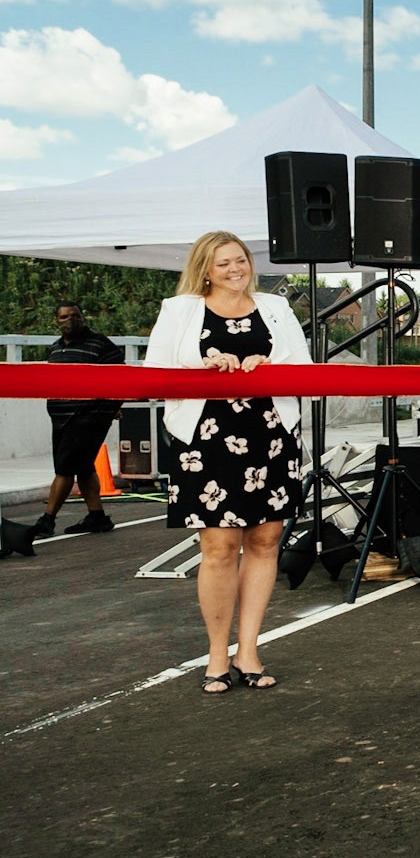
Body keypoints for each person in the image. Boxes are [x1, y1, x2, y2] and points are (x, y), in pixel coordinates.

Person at [144, 232, 310, 694]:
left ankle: (249, 650)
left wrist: (268, 362)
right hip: (205, 436)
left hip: (270, 431)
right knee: (219, 547)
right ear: (205, 270)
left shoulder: (276, 307)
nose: (235, 269)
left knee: (265, 540)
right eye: (223, 264)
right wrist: (203, 368)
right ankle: (217, 656)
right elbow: (153, 374)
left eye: (240, 260)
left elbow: (304, 368)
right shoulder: (179, 310)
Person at [35, 300, 126, 537]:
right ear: (57, 321)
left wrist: (111, 408)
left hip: (88, 417)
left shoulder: (100, 344)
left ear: (83, 317)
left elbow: (121, 377)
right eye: (64, 317)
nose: (70, 320)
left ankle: (47, 520)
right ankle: (97, 516)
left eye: (75, 315)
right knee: (83, 468)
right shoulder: (55, 349)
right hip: (61, 418)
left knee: (65, 470)